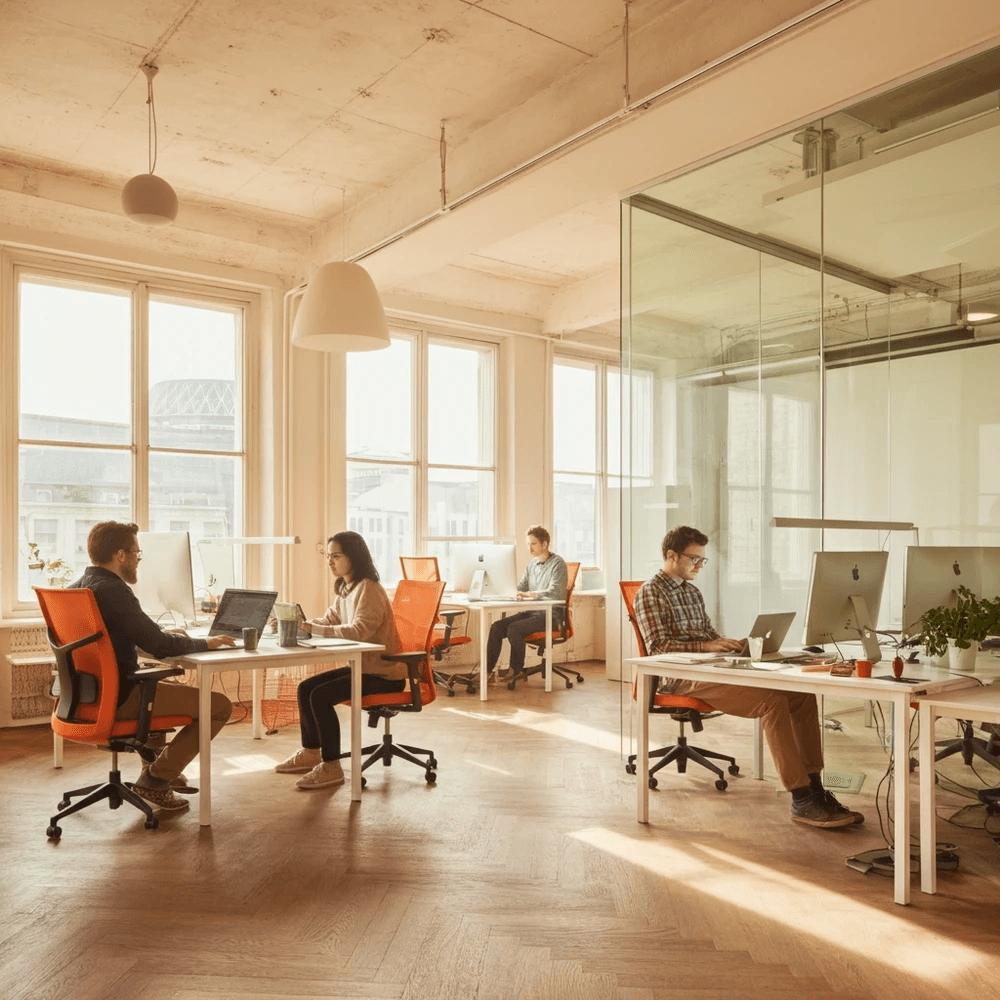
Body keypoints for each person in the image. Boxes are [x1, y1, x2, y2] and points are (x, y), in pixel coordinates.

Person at [633, 525, 863, 829]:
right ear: (671, 556)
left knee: (801, 696)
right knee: (771, 702)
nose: (700, 565)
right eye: (694, 559)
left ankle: (816, 787)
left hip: (710, 667)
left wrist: (732, 644)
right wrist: (706, 646)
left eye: (703, 560)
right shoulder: (651, 591)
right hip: (678, 676)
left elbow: (709, 636)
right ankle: (802, 799)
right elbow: (658, 647)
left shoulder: (692, 592)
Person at [68, 521, 235, 812]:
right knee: (219, 707)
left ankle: (159, 766)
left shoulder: (76, 589)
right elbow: (160, 646)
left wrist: (155, 640)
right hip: (121, 698)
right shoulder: (113, 590)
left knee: (157, 686)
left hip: (86, 697)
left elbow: (109, 638)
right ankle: (157, 779)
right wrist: (207, 643)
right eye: (136, 553)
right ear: (120, 555)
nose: (138, 560)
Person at [274, 531, 402, 790]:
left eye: (336, 556)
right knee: (305, 688)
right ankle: (311, 752)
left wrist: (313, 627)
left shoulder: (369, 588)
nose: (330, 562)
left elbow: (359, 631)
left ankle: (332, 766)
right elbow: (329, 620)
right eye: (328, 557)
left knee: (320, 696)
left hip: (384, 676)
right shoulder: (346, 588)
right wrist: (302, 625)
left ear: (353, 557)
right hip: (363, 669)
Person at [486, 525, 568, 682]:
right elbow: (521, 588)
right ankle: (487, 672)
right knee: (497, 627)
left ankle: (516, 670)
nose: (530, 548)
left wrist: (531, 594)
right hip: (533, 611)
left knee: (514, 628)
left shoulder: (558, 564)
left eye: (533, 543)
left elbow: (555, 592)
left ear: (545, 544)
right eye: (528, 544)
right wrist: (506, 590)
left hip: (552, 614)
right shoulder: (532, 564)